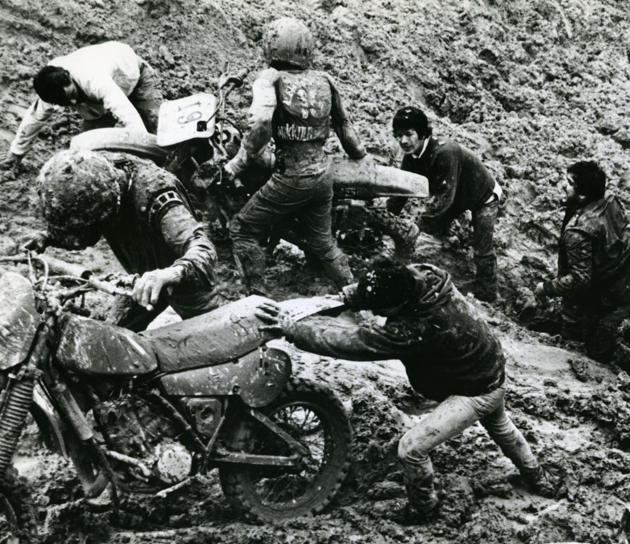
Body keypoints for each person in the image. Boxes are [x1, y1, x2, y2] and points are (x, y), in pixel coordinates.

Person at [256, 260, 560, 522]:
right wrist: (350, 296)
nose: (377, 313)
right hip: (489, 364)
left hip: (475, 388)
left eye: (381, 310)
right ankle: (537, 477)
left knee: (411, 449)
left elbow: (356, 342)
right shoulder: (424, 277)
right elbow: (383, 278)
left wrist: (294, 331)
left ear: (398, 305)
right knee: (501, 426)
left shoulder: (421, 326)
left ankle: (423, 508)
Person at [222, 17, 366, 295]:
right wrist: (360, 154)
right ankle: (358, 297)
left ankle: (257, 303)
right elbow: (346, 128)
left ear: (271, 47)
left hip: (292, 178)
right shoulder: (325, 80)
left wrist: (236, 165)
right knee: (323, 243)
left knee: (241, 229)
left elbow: (260, 125)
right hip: (322, 175)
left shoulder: (271, 79)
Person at [30, 148, 226, 330]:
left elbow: (202, 247)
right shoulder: (98, 175)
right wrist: (47, 237)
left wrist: (170, 274)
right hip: (139, 279)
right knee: (112, 338)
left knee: (215, 341)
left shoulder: (157, 194)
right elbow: (85, 234)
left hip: (183, 278)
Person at [385, 107, 503, 303]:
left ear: (422, 133)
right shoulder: (410, 157)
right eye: (398, 135)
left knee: (482, 249)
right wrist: (386, 219)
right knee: (434, 230)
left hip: (482, 194)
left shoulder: (444, 153)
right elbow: (400, 192)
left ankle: (488, 295)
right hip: (455, 194)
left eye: (409, 134)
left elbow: (443, 199)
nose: (403, 141)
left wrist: (417, 227)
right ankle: (449, 257)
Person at [533, 160, 630, 367]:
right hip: (619, 279)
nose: (563, 185)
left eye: (569, 182)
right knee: (573, 328)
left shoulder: (579, 232)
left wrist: (545, 289)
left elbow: (581, 279)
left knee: (598, 351)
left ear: (583, 194)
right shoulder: (610, 201)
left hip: (610, 297)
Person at [5, 42, 162, 172]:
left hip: (135, 77)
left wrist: (145, 159)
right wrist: (17, 152)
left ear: (68, 76)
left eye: (71, 96)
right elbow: (35, 118)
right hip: (99, 101)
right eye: (65, 103)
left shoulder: (94, 79)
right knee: (87, 155)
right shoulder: (51, 88)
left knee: (158, 137)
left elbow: (127, 114)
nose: (73, 104)